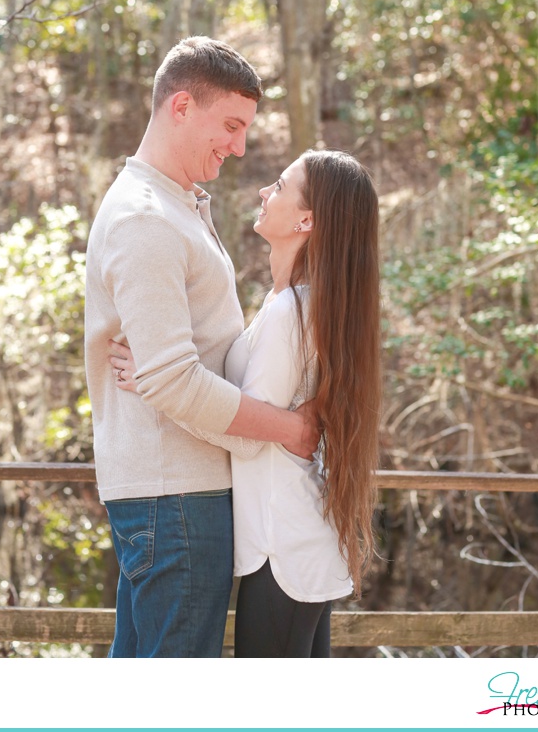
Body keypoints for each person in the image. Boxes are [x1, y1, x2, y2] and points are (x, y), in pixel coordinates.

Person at [83, 36, 318, 658]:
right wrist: (288, 429)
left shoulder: (175, 206)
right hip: (177, 499)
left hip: (175, 494)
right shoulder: (146, 219)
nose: (239, 147)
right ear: (181, 106)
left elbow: (185, 361)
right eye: (231, 125)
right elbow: (174, 380)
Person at [112, 149, 382, 657]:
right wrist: (164, 368)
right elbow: (257, 412)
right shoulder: (294, 303)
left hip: (283, 546)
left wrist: (158, 380)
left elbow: (247, 429)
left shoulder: (291, 311)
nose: (264, 192)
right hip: (287, 540)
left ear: (307, 219)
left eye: (279, 186)